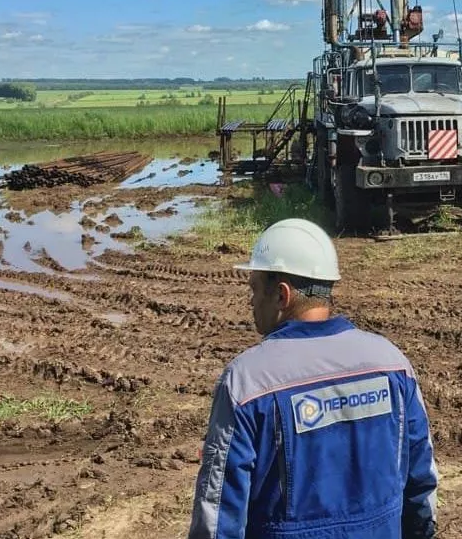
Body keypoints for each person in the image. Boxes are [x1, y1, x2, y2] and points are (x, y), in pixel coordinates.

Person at [187, 218, 438, 539]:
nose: (250, 301)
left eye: (254, 288)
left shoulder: (246, 381)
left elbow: (218, 510)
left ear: (282, 295)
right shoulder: (392, 363)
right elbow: (421, 478)